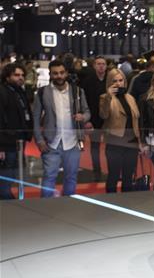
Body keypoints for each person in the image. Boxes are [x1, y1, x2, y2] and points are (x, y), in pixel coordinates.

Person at [33, 60, 90, 197]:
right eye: (55, 73)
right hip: (51, 142)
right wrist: (39, 140)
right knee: (49, 177)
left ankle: (68, 207)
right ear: (50, 74)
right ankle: (46, 208)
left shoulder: (77, 91)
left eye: (61, 73)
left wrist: (83, 117)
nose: (59, 76)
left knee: (71, 177)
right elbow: (35, 119)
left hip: (73, 142)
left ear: (66, 73)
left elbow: (88, 112)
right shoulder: (42, 93)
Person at [100, 68, 142, 193]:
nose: (118, 83)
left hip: (131, 142)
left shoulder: (130, 98)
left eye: (121, 80)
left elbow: (136, 120)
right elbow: (103, 115)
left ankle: (126, 202)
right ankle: (111, 203)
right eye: (115, 81)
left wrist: (139, 141)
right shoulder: (105, 97)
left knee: (128, 176)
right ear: (109, 82)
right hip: (115, 142)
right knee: (113, 175)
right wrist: (109, 96)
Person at [0, 63, 30, 199]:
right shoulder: (3, 91)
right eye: (16, 75)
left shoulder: (20, 92)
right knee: (7, 172)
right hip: (6, 141)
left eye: (22, 75)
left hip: (19, 140)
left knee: (14, 172)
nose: (21, 78)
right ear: (7, 77)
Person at [80, 55, 108, 180]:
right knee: (95, 146)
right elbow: (84, 102)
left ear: (106, 66)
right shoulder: (88, 81)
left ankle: (111, 170)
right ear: (94, 66)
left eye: (103, 64)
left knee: (110, 146)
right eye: (98, 64)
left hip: (108, 120)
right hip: (93, 119)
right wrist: (88, 120)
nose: (101, 66)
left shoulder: (110, 80)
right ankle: (97, 171)